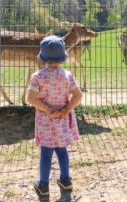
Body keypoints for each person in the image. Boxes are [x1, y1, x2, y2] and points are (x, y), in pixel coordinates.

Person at [27, 35, 83, 196]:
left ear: (43, 57)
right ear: (62, 57)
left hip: (46, 121)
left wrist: (48, 110)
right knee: (61, 149)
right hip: (62, 119)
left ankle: (43, 185)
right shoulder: (68, 76)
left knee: (46, 152)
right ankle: (66, 180)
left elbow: (30, 99)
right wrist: (67, 108)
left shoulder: (37, 77)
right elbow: (78, 95)